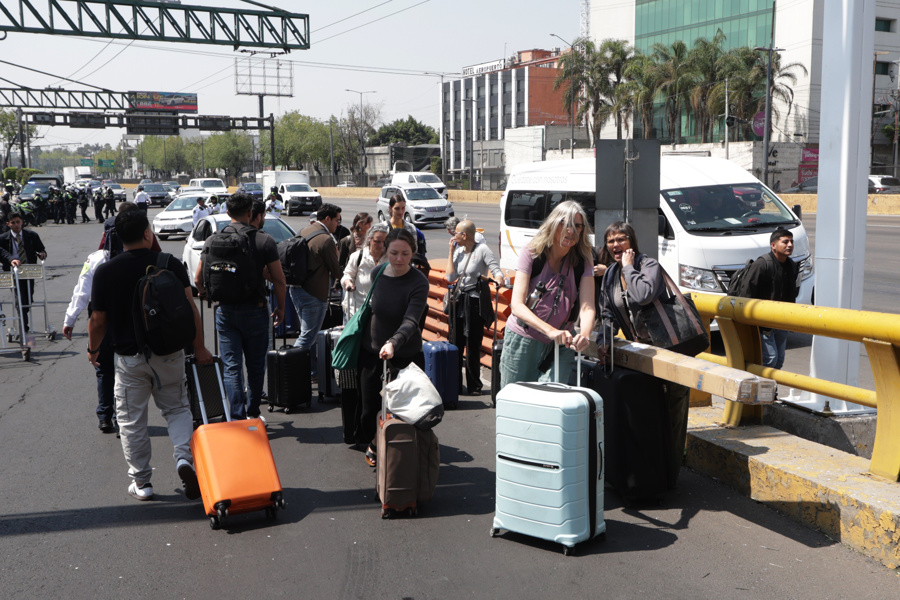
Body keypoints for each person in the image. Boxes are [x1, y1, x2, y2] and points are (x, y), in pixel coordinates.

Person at [87, 209, 210, 502]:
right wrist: (200, 346)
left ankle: (142, 483)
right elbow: (191, 310)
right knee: (178, 408)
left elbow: (98, 320)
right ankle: (184, 459)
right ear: (147, 233)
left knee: (131, 420)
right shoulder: (168, 263)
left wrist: (93, 350)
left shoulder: (106, 271)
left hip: (129, 358)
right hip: (169, 352)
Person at [596, 220, 691, 487]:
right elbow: (606, 313)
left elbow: (644, 295)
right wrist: (604, 338)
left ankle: (671, 475)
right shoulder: (611, 276)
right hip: (641, 354)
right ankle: (651, 471)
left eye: (621, 239)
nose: (616, 245)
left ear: (632, 242)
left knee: (673, 410)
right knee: (647, 413)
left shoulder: (647, 265)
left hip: (670, 350)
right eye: (611, 241)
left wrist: (628, 266)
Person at [194, 193, 287, 421]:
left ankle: (236, 418)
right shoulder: (264, 240)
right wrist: (281, 308)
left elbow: (197, 279)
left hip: (224, 312)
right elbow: (280, 280)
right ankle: (253, 414)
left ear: (227, 212)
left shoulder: (212, 240)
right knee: (255, 367)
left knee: (232, 367)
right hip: (255, 310)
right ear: (250, 213)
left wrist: (208, 295)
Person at [498, 200, 595, 389]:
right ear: (553, 223)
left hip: (561, 344)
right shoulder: (533, 251)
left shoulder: (583, 258)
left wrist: (584, 334)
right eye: (565, 224)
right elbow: (517, 305)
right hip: (524, 339)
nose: (571, 231)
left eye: (577, 226)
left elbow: (587, 306)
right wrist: (550, 331)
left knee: (551, 403)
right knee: (516, 400)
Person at [357, 227, 429, 467]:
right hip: (372, 352)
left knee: (403, 412)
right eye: (394, 253)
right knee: (369, 411)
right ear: (385, 251)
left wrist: (393, 343)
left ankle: (391, 452)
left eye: (405, 254)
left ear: (413, 253)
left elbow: (411, 321)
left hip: (405, 355)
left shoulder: (418, 281)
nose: (399, 259)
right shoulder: (377, 272)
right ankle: (375, 441)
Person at [63, 216, 125, 435]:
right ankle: (122, 418)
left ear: (104, 234)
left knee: (103, 369)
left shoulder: (95, 258)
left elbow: (82, 292)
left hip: (99, 321)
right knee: (125, 371)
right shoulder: (132, 256)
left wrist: (69, 320)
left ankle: (105, 417)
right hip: (127, 321)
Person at [338, 223, 388, 447]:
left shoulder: (390, 258)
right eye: (376, 240)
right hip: (358, 319)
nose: (380, 245)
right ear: (369, 240)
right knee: (356, 375)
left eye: (383, 241)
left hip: (381, 321)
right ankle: (356, 430)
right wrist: (348, 282)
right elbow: (346, 275)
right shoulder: (358, 257)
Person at [446, 219, 505, 396]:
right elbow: (450, 277)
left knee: (472, 344)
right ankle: (454, 385)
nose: (454, 235)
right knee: (456, 342)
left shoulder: (482, 250)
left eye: (456, 232)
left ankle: (474, 385)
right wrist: (450, 252)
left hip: (475, 301)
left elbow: (496, 270)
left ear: (464, 235)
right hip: (459, 301)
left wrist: (499, 280)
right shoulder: (457, 252)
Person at [732, 227, 799, 370]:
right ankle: (759, 391)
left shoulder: (791, 266)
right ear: (773, 245)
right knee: (770, 359)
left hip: (782, 320)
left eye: (791, 242)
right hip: (762, 323)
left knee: (779, 361)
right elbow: (746, 294)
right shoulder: (762, 264)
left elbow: (791, 294)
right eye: (785, 242)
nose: (790, 245)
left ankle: (770, 392)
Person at [289, 203, 343, 379]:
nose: (338, 224)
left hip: (296, 290)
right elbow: (336, 270)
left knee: (308, 333)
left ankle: (312, 371)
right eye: (337, 220)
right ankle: (290, 371)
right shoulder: (326, 239)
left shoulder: (304, 231)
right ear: (327, 219)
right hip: (314, 293)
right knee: (308, 336)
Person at [0, 212, 48, 334]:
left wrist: (42, 253)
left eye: (18, 222)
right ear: (8, 224)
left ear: (22, 222)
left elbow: (41, 248)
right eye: (13, 223)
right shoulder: (3, 238)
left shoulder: (31, 235)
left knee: (27, 297)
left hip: (29, 271)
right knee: (19, 297)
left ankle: (23, 316)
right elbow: (2, 253)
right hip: (13, 271)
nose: (16, 225)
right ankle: (23, 325)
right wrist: (11, 259)